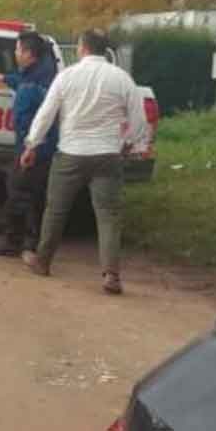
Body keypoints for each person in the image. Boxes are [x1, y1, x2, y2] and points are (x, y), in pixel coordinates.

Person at [21, 29, 148, 295]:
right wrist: (128, 144)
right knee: (109, 215)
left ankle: (43, 261)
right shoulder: (122, 79)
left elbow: (46, 113)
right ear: (105, 50)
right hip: (107, 155)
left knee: (56, 210)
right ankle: (111, 274)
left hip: (70, 153)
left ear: (82, 48)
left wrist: (32, 144)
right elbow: (138, 118)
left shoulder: (66, 76)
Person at [0, 31, 58, 257]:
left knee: (20, 192)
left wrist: (30, 147)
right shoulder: (40, 75)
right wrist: (1, 78)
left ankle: (18, 241)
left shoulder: (35, 82)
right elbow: (18, 79)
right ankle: (30, 241)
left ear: (29, 54)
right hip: (38, 145)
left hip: (33, 147)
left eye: (17, 49)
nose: (15, 53)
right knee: (31, 193)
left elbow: (31, 115)